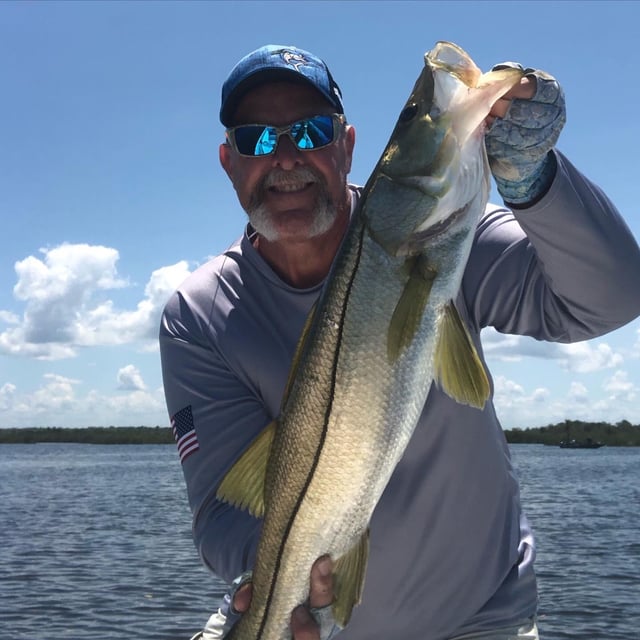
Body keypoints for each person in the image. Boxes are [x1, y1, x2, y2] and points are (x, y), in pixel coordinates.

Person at [159, 44, 640, 640]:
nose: (285, 157)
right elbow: (223, 515)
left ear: (349, 146)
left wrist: (537, 180)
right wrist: (288, 581)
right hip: (293, 617)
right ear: (229, 162)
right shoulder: (199, 313)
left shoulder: (457, 237)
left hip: (481, 618)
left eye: (310, 131)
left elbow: (612, 298)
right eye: (256, 139)